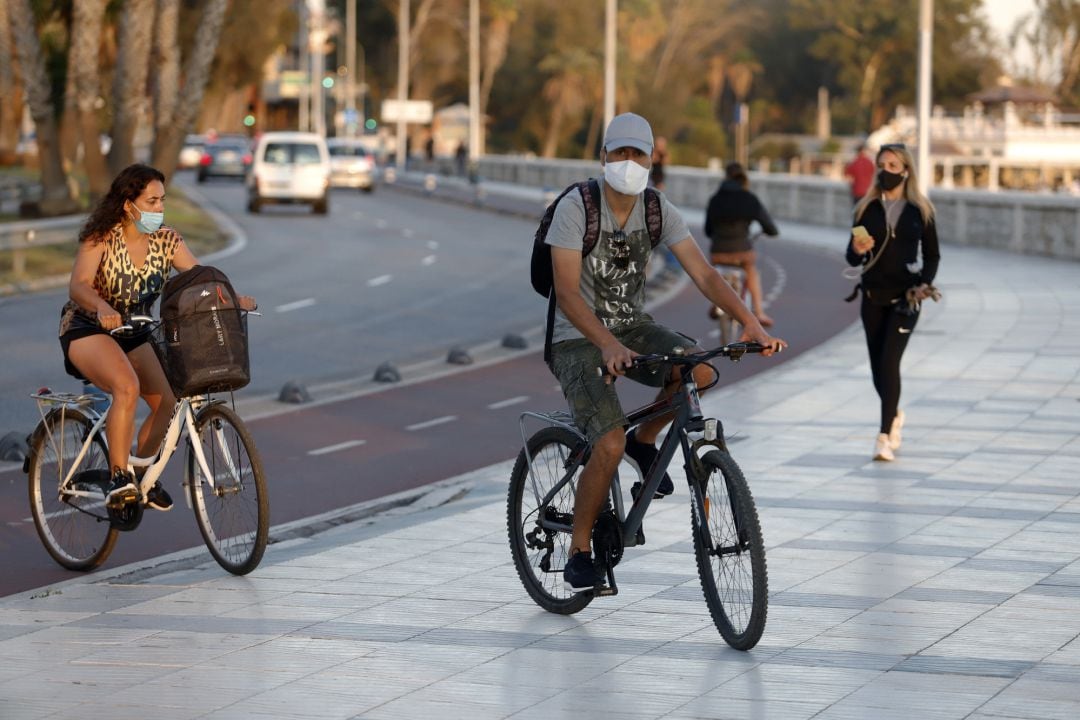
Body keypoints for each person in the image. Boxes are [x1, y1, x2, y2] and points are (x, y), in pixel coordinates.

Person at [545, 113, 786, 592]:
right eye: (621, 153)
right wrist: (606, 344)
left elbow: (705, 274)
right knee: (608, 442)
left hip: (632, 327)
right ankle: (579, 551)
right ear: (604, 157)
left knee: (697, 370)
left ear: (653, 159)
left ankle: (646, 439)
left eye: (639, 154)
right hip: (576, 337)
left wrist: (750, 321)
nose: (629, 163)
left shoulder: (656, 209)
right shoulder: (577, 207)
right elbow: (568, 293)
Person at [59, 163, 256, 510]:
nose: (159, 208)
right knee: (127, 387)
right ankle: (119, 479)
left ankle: (139, 475)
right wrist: (103, 308)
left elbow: (198, 281)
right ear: (128, 204)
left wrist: (231, 299)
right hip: (88, 328)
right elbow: (78, 285)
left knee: (167, 400)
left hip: (134, 331)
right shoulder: (102, 238)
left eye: (162, 200)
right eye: (151, 201)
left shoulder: (167, 240)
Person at [845, 143, 940, 462]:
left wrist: (925, 284)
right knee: (876, 369)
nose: (886, 171)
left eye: (893, 165)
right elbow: (851, 255)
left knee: (889, 363)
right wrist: (858, 250)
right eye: (882, 164)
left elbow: (932, 255)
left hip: (905, 299)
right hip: (871, 296)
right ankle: (894, 411)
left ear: (906, 170)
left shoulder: (920, 211)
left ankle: (884, 436)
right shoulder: (866, 208)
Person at [704, 163, 779, 327]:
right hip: (742, 251)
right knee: (751, 270)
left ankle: (715, 303)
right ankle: (759, 312)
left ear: (725, 177)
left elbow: (708, 230)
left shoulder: (715, 199)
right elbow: (770, 227)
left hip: (718, 251)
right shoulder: (750, 199)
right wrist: (769, 231)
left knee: (713, 273)